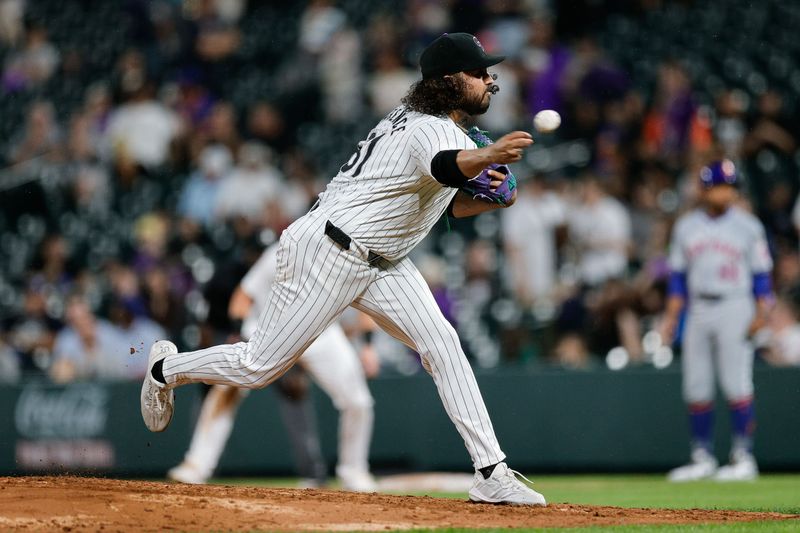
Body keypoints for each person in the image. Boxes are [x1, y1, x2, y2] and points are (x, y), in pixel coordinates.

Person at [141, 32, 545, 506]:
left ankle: (491, 471)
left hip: (384, 261)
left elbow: (448, 206)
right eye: (478, 72)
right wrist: (489, 156)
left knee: (443, 343)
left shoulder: (427, 124)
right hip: (326, 252)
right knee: (258, 367)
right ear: (448, 80)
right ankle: (165, 369)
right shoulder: (428, 127)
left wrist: (493, 201)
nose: (488, 80)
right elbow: (443, 165)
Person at [167, 243, 377, 491]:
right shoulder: (284, 250)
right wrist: (236, 333)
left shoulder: (350, 252)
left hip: (321, 332)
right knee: (226, 390)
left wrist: (368, 345)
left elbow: (366, 298)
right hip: (269, 328)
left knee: (358, 402)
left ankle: (354, 472)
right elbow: (242, 298)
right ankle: (196, 465)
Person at [660, 160, 773, 482]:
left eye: (728, 185)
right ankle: (702, 457)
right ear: (705, 189)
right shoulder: (686, 226)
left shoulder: (749, 226)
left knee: (736, 383)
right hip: (698, 308)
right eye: (718, 185)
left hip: (735, 305)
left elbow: (762, 277)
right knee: (696, 386)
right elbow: (678, 280)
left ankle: (743, 456)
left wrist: (762, 314)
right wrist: (671, 318)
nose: (724, 191)